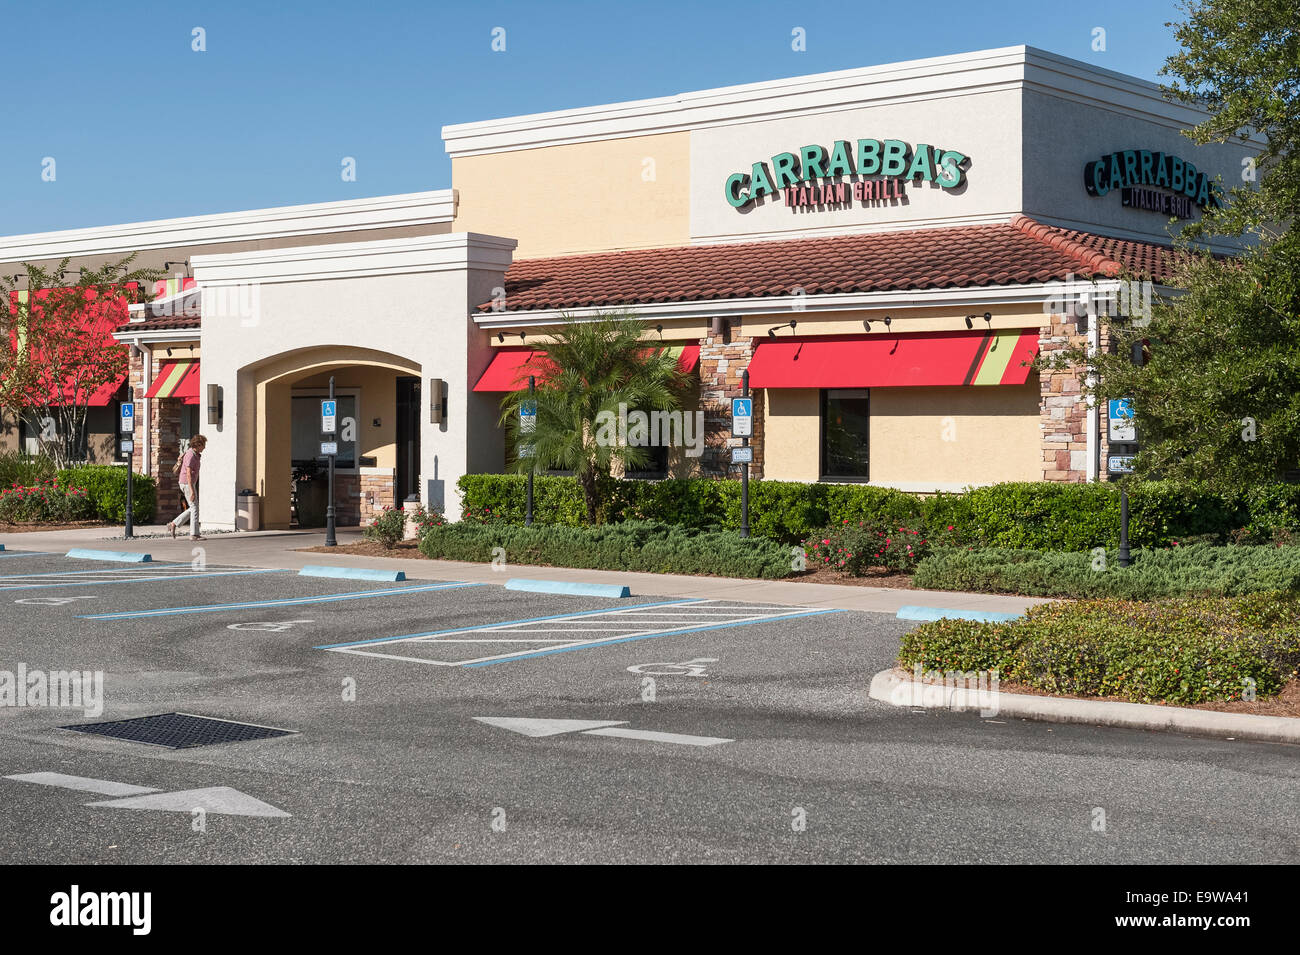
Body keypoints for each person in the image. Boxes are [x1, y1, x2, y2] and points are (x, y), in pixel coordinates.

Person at [167, 434, 207, 540]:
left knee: (193, 508)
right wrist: (192, 490)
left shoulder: (194, 453)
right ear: (198, 444)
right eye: (203, 445)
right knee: (194, 508)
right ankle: (194, 534)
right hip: (186, 483)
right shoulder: (191, 455)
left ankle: (173, 524)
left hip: (188, 483)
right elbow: (188, 473)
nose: (205, 447)